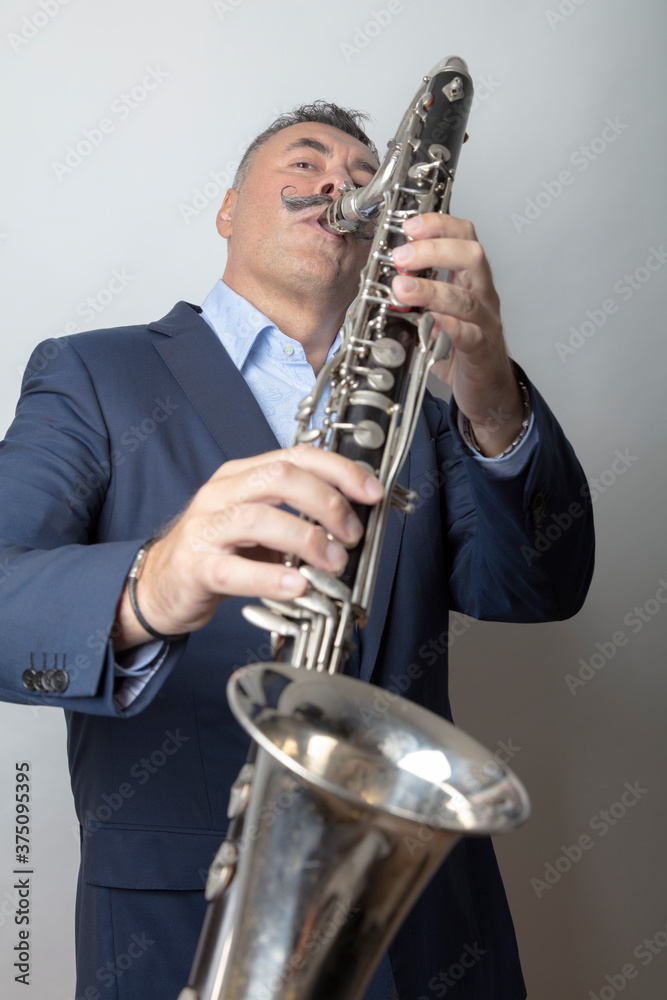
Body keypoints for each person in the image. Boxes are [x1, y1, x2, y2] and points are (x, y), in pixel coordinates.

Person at [0, 101, 594, 1000]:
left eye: (365, 177)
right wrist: (149, 585)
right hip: (179, 932)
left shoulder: (430, 419)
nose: (338, 185)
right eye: (306, 161)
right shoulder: (93, 371)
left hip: (426, 934)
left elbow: (540, 586)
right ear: (228, 209)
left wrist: (488, 383)